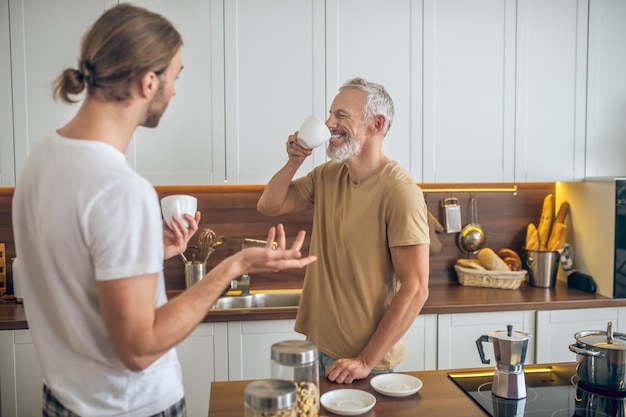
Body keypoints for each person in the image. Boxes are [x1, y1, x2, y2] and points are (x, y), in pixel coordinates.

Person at [11, 4, 316, 417]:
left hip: (61, 401)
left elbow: (79, 271)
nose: (174, 90)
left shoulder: (40, 160)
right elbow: (138, 349)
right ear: (147, 81)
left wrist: (151, 253)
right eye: (175, 76)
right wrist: (234, 265)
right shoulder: (121, 190)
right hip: (131, 407)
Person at [257, 77, 430, 384]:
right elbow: (269, 206)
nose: (328, 124)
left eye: (341, 115)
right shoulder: (327, 176)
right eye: (329, 114)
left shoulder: (400, 192)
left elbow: (416, 288)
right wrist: (293, 161)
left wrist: (365, 360)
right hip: (318, 346)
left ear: (376, 125)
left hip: (365, 361)